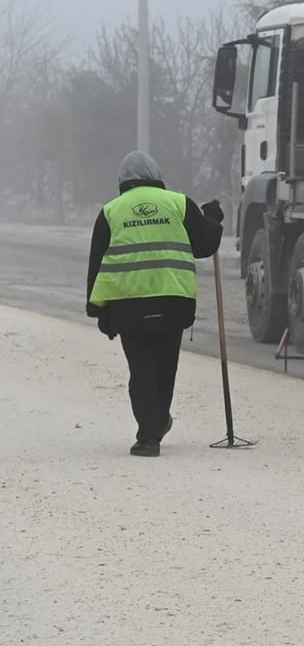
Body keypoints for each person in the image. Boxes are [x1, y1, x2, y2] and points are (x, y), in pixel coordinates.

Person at [87, 151, 225, 456]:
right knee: (165, 367)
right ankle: (158, 422)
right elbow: (204, 245)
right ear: (155, 174)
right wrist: (213, 217)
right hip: (172, 301)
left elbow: (97, 263)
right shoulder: (178, 204)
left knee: (141, 370)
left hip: (128, 306)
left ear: (122, 180)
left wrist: (98, 310)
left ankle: (148, 435)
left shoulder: (111, 212)